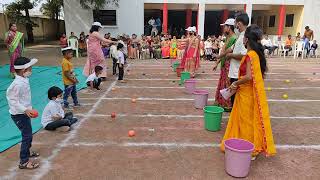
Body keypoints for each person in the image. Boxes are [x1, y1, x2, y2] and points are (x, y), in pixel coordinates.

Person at [221, 25, 276, 159]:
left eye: (244, 38)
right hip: (248, 93)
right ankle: (246, 145)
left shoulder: (251, 55)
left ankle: (250, 149)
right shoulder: (256, 54)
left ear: (246, 40)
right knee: (248, 121)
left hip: (246, 94)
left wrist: (235, 82)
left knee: (246, 122)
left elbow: (249, 77)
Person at [6, 57, 40, 169]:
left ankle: (27, 152)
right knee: (27, 135)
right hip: (19, 114)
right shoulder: (17, 84)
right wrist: (25, 110)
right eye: (30, 68)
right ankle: (24, 161)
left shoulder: (23, 79)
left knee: (28, 134)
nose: (31, 70)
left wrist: (28, 109)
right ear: (23, 70)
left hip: (24, 113)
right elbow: (12, 100)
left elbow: (23, 98)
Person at [212, 18, 237, 111]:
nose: (224, 29)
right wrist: (217, 62)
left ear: (229, 27)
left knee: (227, 84)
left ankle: (228, 104)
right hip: (224, 64)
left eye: (225, 26)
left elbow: (227, 52)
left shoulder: (234, 38)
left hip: (229, 65)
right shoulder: (228, 37)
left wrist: (217, 57)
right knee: (223, 83)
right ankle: (222, 103)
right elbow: (223, 52)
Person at [225, 13, 248, 106]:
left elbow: (244, 56)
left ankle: (236, 119)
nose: (235, 26)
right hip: (235, 72)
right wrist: (221, 56)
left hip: (238, 73)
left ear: (239, 23)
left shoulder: (245, 37)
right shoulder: (240, 36)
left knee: (236, 101)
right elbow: (231, 48)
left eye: (235, 23)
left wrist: (231, 55)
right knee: (234, 100)